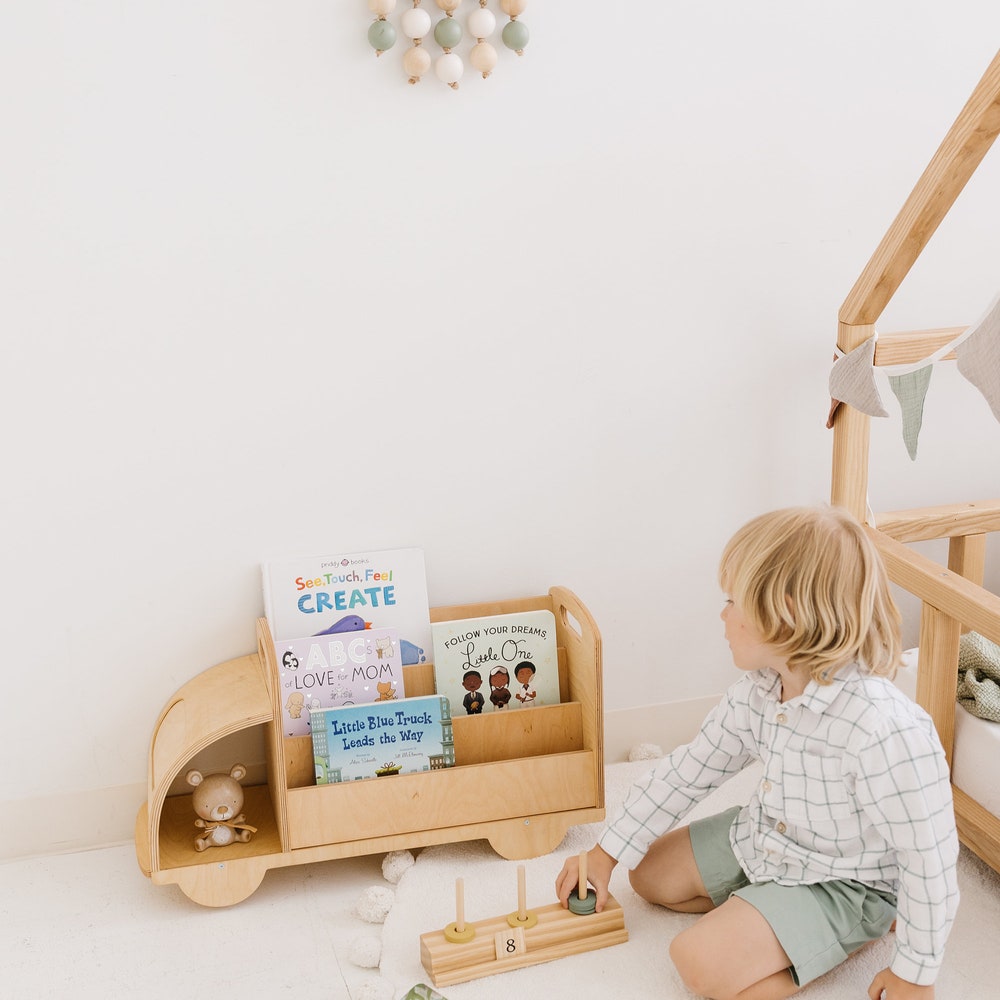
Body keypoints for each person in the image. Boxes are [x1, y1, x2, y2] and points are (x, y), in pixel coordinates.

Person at [555, 506, 959, 1000]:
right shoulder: (760, 691)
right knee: (648, 876)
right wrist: (607, 851)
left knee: (697, 962)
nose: (722, 616)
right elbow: (687, 773)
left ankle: (849, 931)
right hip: (769, 836)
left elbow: (929, 859)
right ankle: (772, 917)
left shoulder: (881, 729)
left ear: (785, 612)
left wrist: (915, 974)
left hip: (844, 881)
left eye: (732, 601)